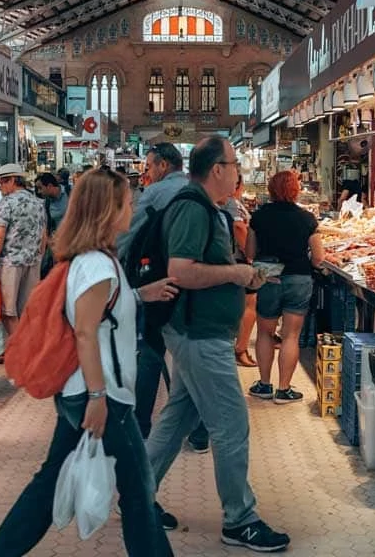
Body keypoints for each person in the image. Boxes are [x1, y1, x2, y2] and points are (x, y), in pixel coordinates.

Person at [0, 168, 179, 557]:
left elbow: (100, 317)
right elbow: (86, 332)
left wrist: (140, 296)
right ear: (108, 209)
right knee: (139, 492)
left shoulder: (93, 261)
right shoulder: (97, 265)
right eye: (127, 201)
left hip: (84, 391)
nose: (133, 207)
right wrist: (97, 395)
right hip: (101, 395)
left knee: (49, 484)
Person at [146, 136, 290, 553]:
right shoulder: (193, 209)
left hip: (200, 331)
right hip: (199, 334)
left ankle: (138, 494)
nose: (239, 171)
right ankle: (239, 520)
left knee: (177, 419)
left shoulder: (210, 209)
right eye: (234, 163)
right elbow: (181, 271)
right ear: (217, 170)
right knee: (231, 425)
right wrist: (235, 276)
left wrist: (244, 273)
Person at [118, 143, 207, 454]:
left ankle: (141, 425)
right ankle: (198, 432)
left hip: (159, 280)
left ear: (164, 166)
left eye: (150, 166)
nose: (147, 172)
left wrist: (111, 258)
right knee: (190, 358)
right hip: (197, 282)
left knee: (152, 351)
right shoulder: (199, 190)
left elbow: (129, 231)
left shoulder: (155, 194)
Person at [246, 171, 324, 405]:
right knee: (291, 335)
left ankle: (264, 384)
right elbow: (319, 258)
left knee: (264, 333)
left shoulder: (258, 217)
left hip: (269, 279)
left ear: (270, 190)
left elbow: (250, 253)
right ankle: (283, 389)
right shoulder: (307, 218)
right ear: (295, 190)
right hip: (299, 279)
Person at [0, 164, 47, 365]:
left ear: (13, 180)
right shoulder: (38, 203)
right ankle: (15, 349)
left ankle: (24, 351)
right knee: (25, 310)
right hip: (33, 262)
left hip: (11, 262)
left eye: (3, 182)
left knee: (7, 310)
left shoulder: (7, 203)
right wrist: (39, 255)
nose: (1, 187)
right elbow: (44, 236)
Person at [228, 176, 259, 369]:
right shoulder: (231, 204)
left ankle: (239, 347)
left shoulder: (230, 202)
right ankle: (240, 349)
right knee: (251, 304)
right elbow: (238, 227)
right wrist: (250, 255)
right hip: (240, 259)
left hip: (237, 258)